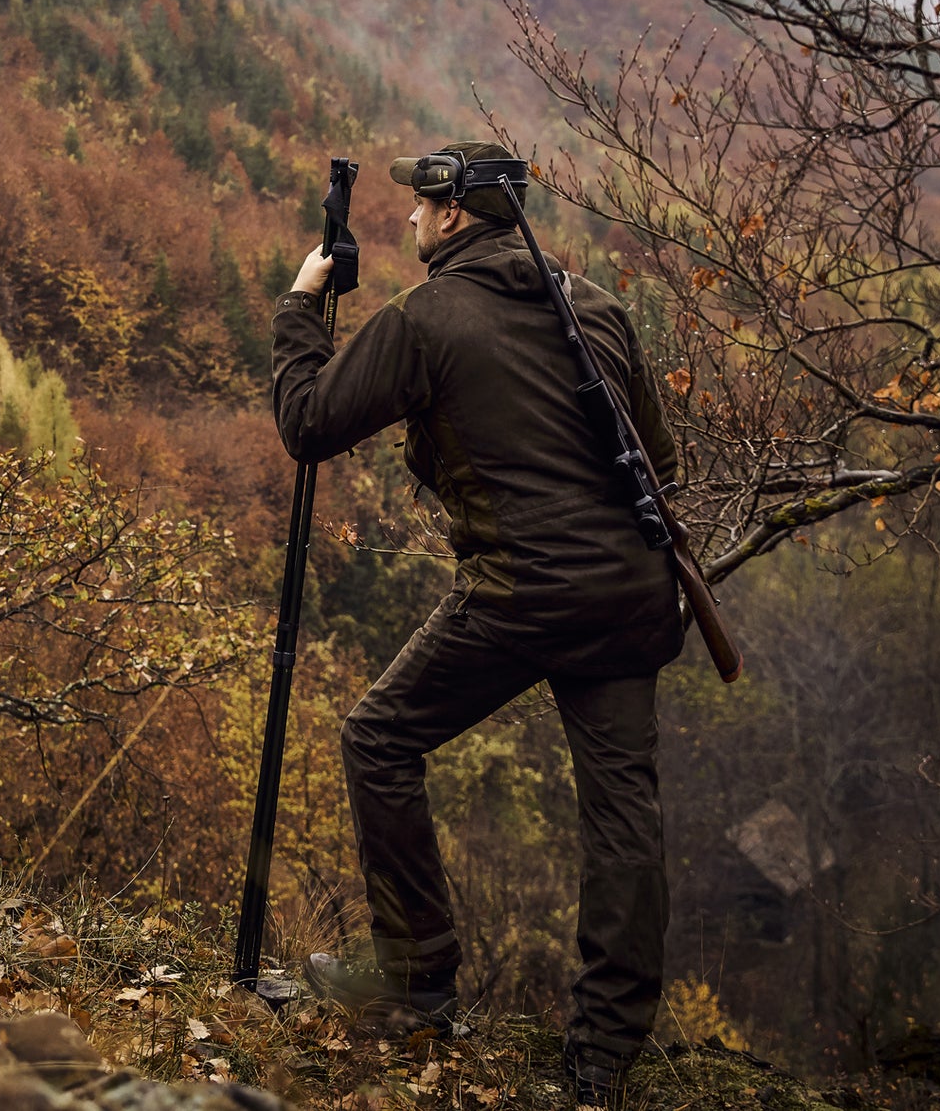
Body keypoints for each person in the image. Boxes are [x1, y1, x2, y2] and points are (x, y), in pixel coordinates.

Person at [271, 141, 685, 1103]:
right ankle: (605, 1055)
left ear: (456, 215)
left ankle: (417, 981)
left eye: (421, 206)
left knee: (379, 738)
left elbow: (308, 424)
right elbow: (660, 460)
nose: (410, 220)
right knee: (623, 813)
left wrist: (300, 308)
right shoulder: (598, 307)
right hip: (632, 592)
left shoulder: (425, 317)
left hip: (522, 589)